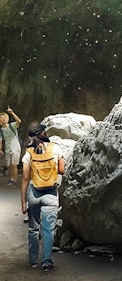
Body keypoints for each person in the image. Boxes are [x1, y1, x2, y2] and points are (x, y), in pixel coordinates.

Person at [21, 122, 65, 272]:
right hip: (51, 193)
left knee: (33, 229)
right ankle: (46, 261)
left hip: (33, 193)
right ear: (43, 133)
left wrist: (22, 201)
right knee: (48, 229)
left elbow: (25, 178)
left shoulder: (29, 153)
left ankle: (33, 260)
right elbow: (62, 169)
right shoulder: (56, 148)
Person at [0, 105, 22, 186]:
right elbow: (0, 140)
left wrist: (12, 112)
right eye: (1, 118)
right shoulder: (1, 130)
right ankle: (10, 179)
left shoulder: (12, 125)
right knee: (9, 166)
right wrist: (0, 149)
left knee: (14, 165)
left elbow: (19, 121)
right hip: (7, 149)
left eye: (4, 117)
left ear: (7, 118)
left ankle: (14, 181)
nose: (3, 118)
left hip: (15, 147)